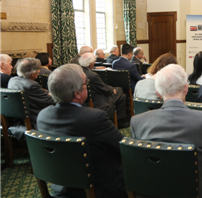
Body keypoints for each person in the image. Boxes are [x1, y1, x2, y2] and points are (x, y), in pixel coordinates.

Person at [36, 64, 128, 198]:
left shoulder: (43, 115)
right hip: (99, 187)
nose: (88, 86)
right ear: (77, 93)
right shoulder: (94, 117)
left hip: (62, 185)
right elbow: (123, 147)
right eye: (86, 83)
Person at [130, 64, 202, 198]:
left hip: (154, 191)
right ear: (186, 88)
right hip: (198, 191)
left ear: (158, 92)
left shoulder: (137, 122)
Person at [79, 53, 129, 128]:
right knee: (120, 90)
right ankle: (120, 122)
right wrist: (112, 89)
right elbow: (105, 90)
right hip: (98, 102)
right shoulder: (93, 75)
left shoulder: (78, 71)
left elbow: (100, 86)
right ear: (91, 64)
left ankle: (120, 121)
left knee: (122, 96)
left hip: (84, 101)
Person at [8, 58, 55, 127]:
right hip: (36, 120)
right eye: (38, 69)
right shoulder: (32, 85)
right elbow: (51, 101)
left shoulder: (12, 80)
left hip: (18, 121)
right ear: (32, 73)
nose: (39, 71)